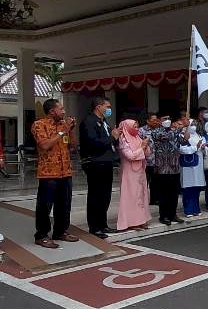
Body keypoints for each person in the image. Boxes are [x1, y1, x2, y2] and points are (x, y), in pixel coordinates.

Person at [31, 99, 79, 248]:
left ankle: (60, 231)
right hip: (48, 173)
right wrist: (62, 131)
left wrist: (70, 130)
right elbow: (45, 145)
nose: (64, 112)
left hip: (65, 172)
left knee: (64, 204)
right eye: (61, 109)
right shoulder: (39, 125)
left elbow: (74, 146)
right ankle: (41, 235)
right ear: (52, 111)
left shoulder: (63, 125)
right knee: (45, 205)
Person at [79, 96, 121, 239]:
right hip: (95, 162)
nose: (109, 109)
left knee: (105, 195)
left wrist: (115, 139)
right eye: (107, 107)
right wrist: (112, 137)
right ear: (98, 107)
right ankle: (94, 226)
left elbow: (109, 141)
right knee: (96, 195)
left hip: (106, 162)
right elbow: (93, 142)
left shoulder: (103, 122)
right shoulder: (89, 122)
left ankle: (103, 224)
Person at [116, 119, 152, 231]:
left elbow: (148, 154)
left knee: (141, 195)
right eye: (134, 127)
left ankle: (141, 219)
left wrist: (146, 146)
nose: (136, 129)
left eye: (137, 127)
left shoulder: (137, 137)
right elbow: (130, 156)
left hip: (140, 170)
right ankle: (130, 222)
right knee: (131, 196)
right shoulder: (123, 139)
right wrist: (141, 147)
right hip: (129, 172)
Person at [152, 113, 186, 226]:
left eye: (168, 118)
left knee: (174, 193)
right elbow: (166, 136)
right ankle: (164, 215)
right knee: (164, 193)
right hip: (162, 167)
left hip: (175, 166)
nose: (167, 120)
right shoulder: (156, 131)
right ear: (159, 120)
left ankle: (173, 214)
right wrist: (180, 128)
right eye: (164, 118)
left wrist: (186, 130)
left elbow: (183, 141)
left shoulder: (174, 131)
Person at [180, 122, 206, 217]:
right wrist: (196, 147)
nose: (194, 126)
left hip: (198, 165)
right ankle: (188, 210)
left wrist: (203, 148)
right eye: (192, 124)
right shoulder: (182, 135)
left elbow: (203, 147)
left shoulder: (197, 135)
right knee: (188, 188)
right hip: (188, 166)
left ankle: (196, 208)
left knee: (196, 187)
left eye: (195, 124)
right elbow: (183, 149)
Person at [139, 113, 160, 205]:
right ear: (148, 121)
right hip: (146, 161)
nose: (155, 122)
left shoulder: (159, 130)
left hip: (157, 160)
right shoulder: (141, 130)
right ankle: (142, 201)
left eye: (156, 120)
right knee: (144, 182)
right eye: (153, 120)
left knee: (155, 182)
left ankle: (154, 199)